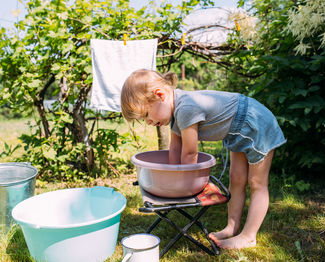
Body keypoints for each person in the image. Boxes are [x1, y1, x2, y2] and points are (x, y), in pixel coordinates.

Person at [120, 69, 286, 249]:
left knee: (257, 183)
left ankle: (248, 236)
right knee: (236, 179)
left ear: (160, 96)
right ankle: (232, 227)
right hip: (236, 130)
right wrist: (170, 181)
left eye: (146, 115)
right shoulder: (174, 112)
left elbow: (190, 153)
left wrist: (183, 186)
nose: (148, 122)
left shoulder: (185, 108)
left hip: (254, 122)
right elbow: (175, 150)